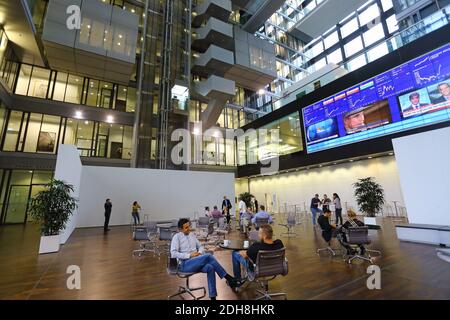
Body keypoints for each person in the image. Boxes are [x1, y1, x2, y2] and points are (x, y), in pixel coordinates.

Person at [170, 218, 241, 300]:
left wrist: (199, 253)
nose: (188, 228)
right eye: (186, 228)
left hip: (196, 260)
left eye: (188, 226)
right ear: (180, 229)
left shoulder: (192, 235)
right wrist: (189, 255)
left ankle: (213, 297)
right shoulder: (177, 237)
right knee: (208, 256)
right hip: (184, 264)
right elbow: (173, 253)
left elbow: (200, 246)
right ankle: (229, 278)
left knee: (210, 268)